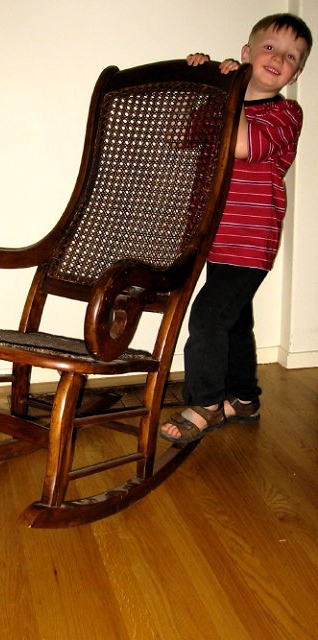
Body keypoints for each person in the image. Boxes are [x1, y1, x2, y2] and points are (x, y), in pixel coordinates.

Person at [160, 13, 313, 443]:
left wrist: (230, 91)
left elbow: (243, 144)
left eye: (290, 57)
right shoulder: (223, 100)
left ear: (295, 73)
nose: (277, 58)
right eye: (269, 47)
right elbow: (186, 134)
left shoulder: (286, 114)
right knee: (233, 320)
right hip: (216, 235)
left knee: (208, 317)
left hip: (250, 238)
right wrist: (207, 83)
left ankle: (206, 402)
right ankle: (243, 398)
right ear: (246, 53)